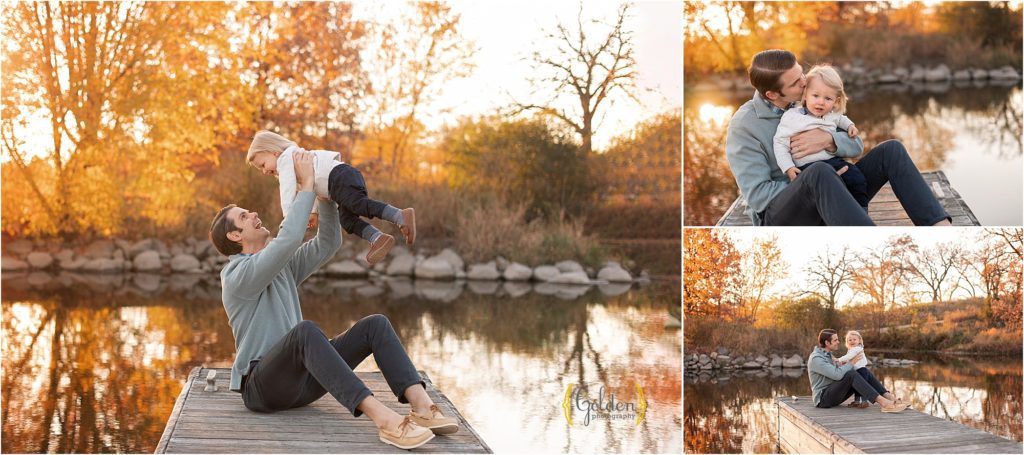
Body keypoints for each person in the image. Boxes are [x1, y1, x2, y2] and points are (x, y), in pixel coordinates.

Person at [207, 150, 456, 450]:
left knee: (374, 325)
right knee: (306, 332)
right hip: (263, 388)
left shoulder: (279, 267)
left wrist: (323, 195)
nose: (255, 215)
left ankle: (423, 407)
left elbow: (328, 243)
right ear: (235, 237)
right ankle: (386, 421)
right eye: (244, 217)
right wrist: (307, 185)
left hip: (301, 384)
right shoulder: (236, 277)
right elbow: (288, 239)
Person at [725, 49, 953, 226]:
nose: (804, 82)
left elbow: (856, 146)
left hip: (834, 185)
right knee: (819, 172)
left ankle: (938, 225)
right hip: (782, 216)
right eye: (795, 82)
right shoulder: (744, 127)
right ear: (773, 94)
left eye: (801, 74)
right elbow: (758, 196)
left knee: (891, 150)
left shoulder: (810, 98)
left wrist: (829, 140)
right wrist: (819, 181)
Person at [246, 130, 415, 265]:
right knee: (347, 221)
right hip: (336, 184)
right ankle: (378, 238)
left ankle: (400, 215)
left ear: (274, 152)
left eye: (263, 164)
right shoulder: (292, 161)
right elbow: (308, 187)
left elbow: (288, 191)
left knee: (358, 205)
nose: (264, 171)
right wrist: (313, 212)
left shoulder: (286, 160)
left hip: (339, 176)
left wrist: (289, 219)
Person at [773, 65, 868, 210]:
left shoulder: (832, 115)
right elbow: (780, 143)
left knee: (857, 179)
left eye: (828, 98)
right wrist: (788, 167)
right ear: (805, 95)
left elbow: (842, 119)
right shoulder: (792, 116)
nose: (821, 102)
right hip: (808, 168)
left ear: (836, 101)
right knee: (829, 191)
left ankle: (861, 214)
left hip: (832, 161)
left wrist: (850, 126)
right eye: (815, 96)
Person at [808, 329, 908, 412]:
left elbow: (837, 369)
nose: (838, 342)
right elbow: (837, 375)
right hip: (823, 399)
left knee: (862, 370)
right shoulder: (817, 359)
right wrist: (851, 362)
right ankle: (884, 403)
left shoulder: (828, 355)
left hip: (834, 393)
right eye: (835, 340)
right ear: (827, 343)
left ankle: (888, 396)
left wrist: (844, 364)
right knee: (851, 374)